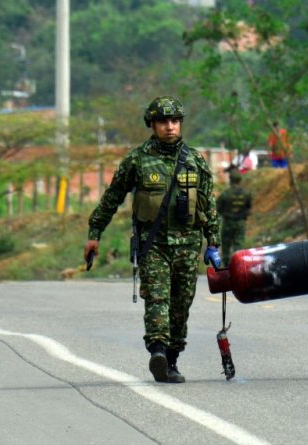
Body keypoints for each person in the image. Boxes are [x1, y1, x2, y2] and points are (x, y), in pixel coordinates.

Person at [83, 96, 221, 384]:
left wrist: (214, 243)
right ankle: (157, 352)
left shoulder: (195, 161)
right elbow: (112, 197)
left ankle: (171, 360)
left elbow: (208, 205)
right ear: (152, 124)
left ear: (180, 123)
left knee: (181, 305)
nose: (169, 127)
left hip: (187, 245)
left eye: (174, 121)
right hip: (153, 244)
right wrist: (95, 233)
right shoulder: (137, 160)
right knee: (157, 299)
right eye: (163, 122)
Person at [216, 169, 252, 265]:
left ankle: (227, 268)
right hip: (241, 223)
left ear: (230, 179)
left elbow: (217, 208)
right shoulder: (246, 194)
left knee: (226, 246)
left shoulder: (225, 194)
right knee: (239, 245)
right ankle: (238, 266)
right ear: (240, 180)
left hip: (228, 223)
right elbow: (248, 208)